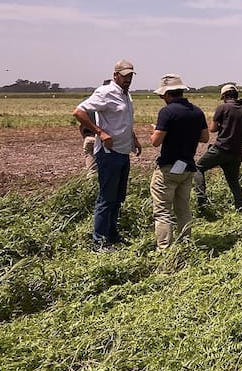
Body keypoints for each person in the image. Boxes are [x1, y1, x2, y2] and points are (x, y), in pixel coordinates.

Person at [74, 61, 142, 252]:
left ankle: (112, 235)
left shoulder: (126, 95)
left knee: (118, 198)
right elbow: (78, 112)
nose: (128, 79)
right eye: (125, 76)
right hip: (108, 153)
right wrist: (100, 133)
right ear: (115, 75)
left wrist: (134, 139)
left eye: (130, 76)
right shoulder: (105, 92)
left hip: (123, 151)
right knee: (106, 198)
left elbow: (124, 121)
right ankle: (99, 242)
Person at [149, 74, 209, 250]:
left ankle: (164, 249)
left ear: (168, 93)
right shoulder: (197, 111)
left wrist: (155, 131)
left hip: (168, 167)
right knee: (183, 209)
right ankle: (186, 243)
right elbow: (205, 138)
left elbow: (155, 142)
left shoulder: (167, 112)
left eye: (162, 95)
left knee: (162, 211)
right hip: (187, 167)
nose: (162, 98)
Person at [195, 83, 242, 213]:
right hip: (237, 152)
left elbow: (212, 129)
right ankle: (241, 209)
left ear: (224, 96)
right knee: (234, 182)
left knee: (198, 168)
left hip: (221, 149)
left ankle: (201, 201)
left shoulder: (222, 107)